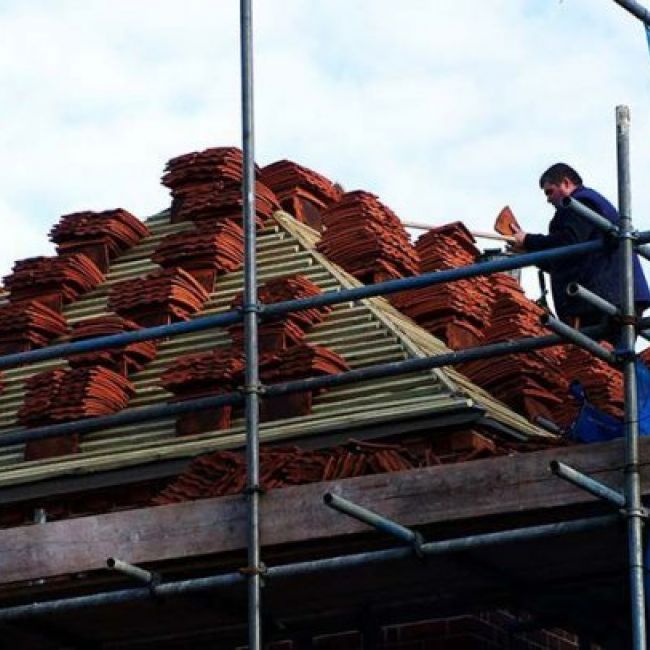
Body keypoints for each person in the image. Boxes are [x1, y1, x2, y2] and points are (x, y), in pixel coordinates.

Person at [511, 162, 650, 331]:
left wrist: (528, 240)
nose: (548, 199)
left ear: (566, 183)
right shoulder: (590, 203)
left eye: (550, 191)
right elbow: (568, 259)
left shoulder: (581, 202)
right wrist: (530, 252)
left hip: (605, 298)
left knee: (602, 351)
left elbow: (568, 242)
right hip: (615, 296)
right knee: (610, 352)